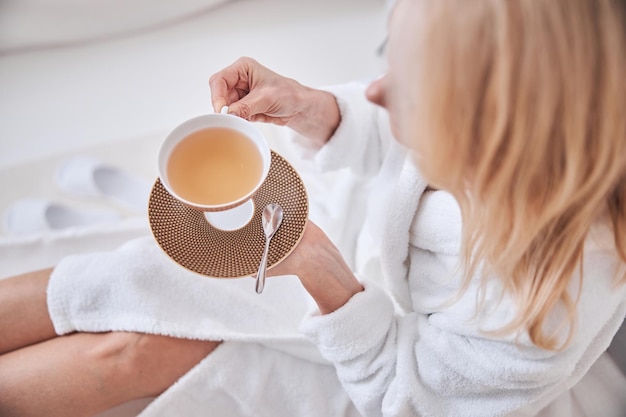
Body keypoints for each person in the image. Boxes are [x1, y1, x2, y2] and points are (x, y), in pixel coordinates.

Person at [1, 0, 625, 415]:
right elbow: (390, 132)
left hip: (377, 376)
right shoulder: (489, 136)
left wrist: (326, 277)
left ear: (507, 134)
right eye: (391, 58)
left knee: (144, 347)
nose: (378, 92)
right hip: (352, 261)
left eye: (420, 88)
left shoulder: (545, 305)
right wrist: (319, 111)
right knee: (129, 275)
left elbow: (407, 399)